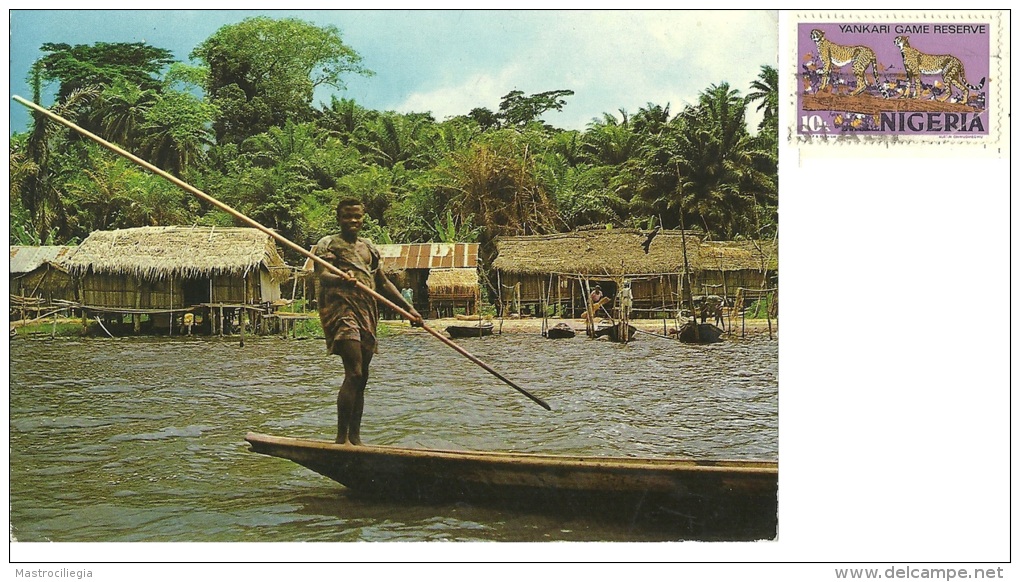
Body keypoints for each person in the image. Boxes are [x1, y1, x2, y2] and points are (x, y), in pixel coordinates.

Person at [314, 198, 423, 445]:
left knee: (362, 376)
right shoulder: (328, 244)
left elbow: (383, 283)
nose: (353, 221)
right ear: (338, 218)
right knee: (353, 372)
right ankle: (341, 439)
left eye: (357, 216)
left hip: (366, 311)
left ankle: (356, 438)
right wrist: (343, 278)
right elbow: (323, 275)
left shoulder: (369, 248)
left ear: (363, 218)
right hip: (342, 310)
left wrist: (409, 309)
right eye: (347, 216)